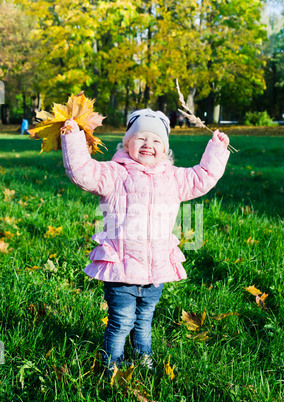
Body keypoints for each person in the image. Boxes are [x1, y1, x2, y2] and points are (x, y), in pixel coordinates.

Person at [60, 109, 230, 374]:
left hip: (155, 268)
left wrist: (217, 149)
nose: (148, 145)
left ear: (165, 150)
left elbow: (203, 177)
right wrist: (73, 137)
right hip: (121, 267)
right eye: (140, 139)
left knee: (144, 319)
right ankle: (112, 363)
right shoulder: (114, 174)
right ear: (127, 144)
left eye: (156, 141)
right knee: (122, 320)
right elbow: (83, 172)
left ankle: (143, 356)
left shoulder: (174, 179)